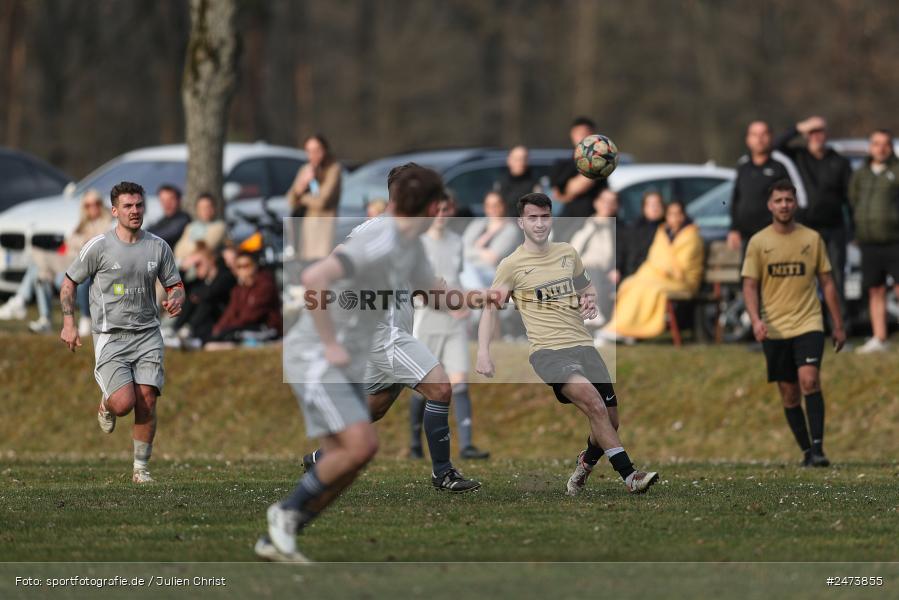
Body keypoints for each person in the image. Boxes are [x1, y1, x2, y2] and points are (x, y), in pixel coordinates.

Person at [257, 164, 448, 562]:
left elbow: (435, 293)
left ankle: (281, 533)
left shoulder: (409, 244)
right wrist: (330, 343)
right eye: (439, 202)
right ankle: (285, 513)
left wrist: (489, 298)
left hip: (352, 347)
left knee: (350, 456)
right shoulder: (379, 237)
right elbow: (315, 277)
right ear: (429, 205)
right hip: (316, 353)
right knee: (360, 446)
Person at [301, 164, 481, 493]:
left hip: (392, 332)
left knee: (376, 406)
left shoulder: (406, 237)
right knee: (440, 388)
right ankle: (443, 472)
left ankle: (322, 458)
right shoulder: (376, 231)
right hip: (383, 336)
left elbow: (424, 290)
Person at [476, 192, 659, 496]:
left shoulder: (567, 253)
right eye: (532, 217)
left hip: (583, 346)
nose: (539, 223)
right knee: (594, 404)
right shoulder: (512, 265)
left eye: (545, 216)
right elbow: (489, 309)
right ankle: (630, 476)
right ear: (521, 222)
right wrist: (483, 353)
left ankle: (584, 464)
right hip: (548, 353)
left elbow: (586, 286)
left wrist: (589, 301)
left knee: (611, 419)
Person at [59, 181, 184, 484]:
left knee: (148, 399)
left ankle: (140, 469)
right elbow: (68, 283)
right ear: (114, 211)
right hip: (110, 335)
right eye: (128, 206)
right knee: (123, 403)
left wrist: (176, 298)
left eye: (139, 205)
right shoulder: (99, 246)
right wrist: (69, 323)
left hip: (147, 334)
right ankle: (106, 403)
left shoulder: (158, 246)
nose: (135, 211)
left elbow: (176, 285)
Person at [742, 180, 845, 467]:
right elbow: (749, 285)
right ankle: (806, 452)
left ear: (795, 203)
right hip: (774, 327)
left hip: (808, 322)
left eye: (789, 199)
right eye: (779, 200)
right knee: (789, 395)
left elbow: (827, 282)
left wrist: (838, 324)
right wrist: (755, 320)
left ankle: (819, 449)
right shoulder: (759, 242)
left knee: (809, 380)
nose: (784, 205)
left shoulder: (811, 239)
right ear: (770, 205)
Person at [410, 194, 490, 460]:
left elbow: (456, 279)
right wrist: (449, 305)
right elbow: (420, 288)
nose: (442, 214)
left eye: (447, 209)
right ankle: (414, 445)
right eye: (438, 209)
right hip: (429, 318)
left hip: (455, 320)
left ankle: (466, 445)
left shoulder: (457, 242)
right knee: (425, 384)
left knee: (460, 381)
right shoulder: (419, 243)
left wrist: (469, 300)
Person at [1, 190, 112, 336]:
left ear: (101, 205)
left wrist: (78, 242)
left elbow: (91, 247)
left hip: (81, 266)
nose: (92, 208)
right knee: (40, 271)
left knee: (39, 262)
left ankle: (22, 301)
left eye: (96, 203)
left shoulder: (107, 223)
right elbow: (68, 246)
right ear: (83, 207)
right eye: (88, 205)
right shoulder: (81, 225)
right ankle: (41, 317)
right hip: (68, 262)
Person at [774, 116, 853, 318]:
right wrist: (799, 127)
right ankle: (806, 327)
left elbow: (850, 198)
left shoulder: (839, 161)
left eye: (820, 132)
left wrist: (851, 229)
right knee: (803, 278)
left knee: (835, 278)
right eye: (813, 132)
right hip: (805, 228)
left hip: (834, 228)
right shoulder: (798, 157)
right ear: (807, 136)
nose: (817, 136)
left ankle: (838, 326)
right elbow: (775, 146)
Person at [602, 200, 704, 340]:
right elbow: (654, 257)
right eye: (670, 214)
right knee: (630, 283)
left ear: (683, 215)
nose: (674, 218)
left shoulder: (692, 236)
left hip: (682, 281)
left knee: (649, 289)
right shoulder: (663, 233)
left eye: (677, 214)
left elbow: (682, 266)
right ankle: (622, 327)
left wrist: (663, 267)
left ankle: (632, 329)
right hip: (659, 276)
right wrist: (659, 267)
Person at [849, 129, 899, 353]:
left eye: (885, 144)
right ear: (870, 147)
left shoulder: (896, 171)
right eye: (876, 144)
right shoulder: (861, 174)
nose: (881, 148)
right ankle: (880, 337)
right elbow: (853, 200)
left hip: (894, 239)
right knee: (875, 290)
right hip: (868, 240)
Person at [728, 120, 804, 253]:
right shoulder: (742, 165)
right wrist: (733, 229)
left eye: (764, 134)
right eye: (755, 135)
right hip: (748, 237)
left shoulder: (781, 163)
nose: (759, 139)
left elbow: (800, 198)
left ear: (771, 137)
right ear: (748, 139)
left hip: (776, 236)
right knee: (747, 273)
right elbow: (735, 199)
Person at [549, 117, 608, 241]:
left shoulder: (605, 160)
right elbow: (564, 192)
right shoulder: (562, 165)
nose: (584, 138)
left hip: (593, 222)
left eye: (588, 134)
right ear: (573, 135)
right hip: (566, 223)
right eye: (580, 134)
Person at [570, 189, 623, 324]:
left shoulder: (619, 229)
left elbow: (622, 253)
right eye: (604, 201)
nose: (607, 205)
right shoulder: (584, 223)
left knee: (595, 271)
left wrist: (617, 268)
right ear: (596, 203)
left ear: (617, 206)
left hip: (605, 273)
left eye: (612, 202)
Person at [207, 251, 281, 346]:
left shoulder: (265, 285)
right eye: (239, 267)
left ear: (254, 266)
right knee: (218, 337)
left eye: (246, 265)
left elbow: (252, 315)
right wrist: (219, 328)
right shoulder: (238, 289)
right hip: (245, 327)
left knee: (232, 336)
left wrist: (230, 327)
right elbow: (230, 312)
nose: (242, 270)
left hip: (267, 328)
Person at [287, 134, 342, 263]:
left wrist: (302, 197)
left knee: (318, 266)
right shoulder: (305, 169)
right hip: (302, 227)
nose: (313, 155)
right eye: (309, 151)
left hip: (322, 228)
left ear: (325, 150)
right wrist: (302, 185)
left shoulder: (333, 170)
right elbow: (290, 199)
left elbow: (321, 201)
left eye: (317, 150)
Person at [169, 243, 236, 346]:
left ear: (211, 261)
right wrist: (183, 269)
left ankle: (188, 330)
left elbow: (213, 292)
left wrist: (198, 296)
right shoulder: (201, 282)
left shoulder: (226, 276)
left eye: (198, 264)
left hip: (220, 321)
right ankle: (175, 330)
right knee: (190, 297)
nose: (196, 268)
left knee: (206, 300)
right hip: (203, 323)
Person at [460, 191, 519, 290]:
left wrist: (472, 249)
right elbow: (460, 249)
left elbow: (492, 258)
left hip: (494, 275)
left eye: (496, 204)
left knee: (465, 268)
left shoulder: (511, 230)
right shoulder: (478, 224)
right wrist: (482, 251)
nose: (492, 209)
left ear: (504, 205)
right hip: (470, 271)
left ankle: (477, 299)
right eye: (489, 205)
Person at [173, 192, 227, 266]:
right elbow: (178, 250)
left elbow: (206, 246)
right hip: (185, 263)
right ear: (197, 210)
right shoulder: (190, 227)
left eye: (208, 207)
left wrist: (189, 249)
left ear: (214, 208)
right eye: (201, 208)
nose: (205, 210)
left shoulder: (219, 226)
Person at [620, 190, 664, 277]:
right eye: (651, 205)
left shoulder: (668, 228)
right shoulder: (633, 229)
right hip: (634, 274)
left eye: (657, 204)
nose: (654, 208)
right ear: (644, 208)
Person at [496, 145, 540, 216]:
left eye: (524, 159)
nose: (521, 162)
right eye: (517, 159)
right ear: (509, 160)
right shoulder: (501, 183)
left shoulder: (536, 183)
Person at [148, 184, 191, 250]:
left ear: (179, 200)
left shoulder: (183, 219)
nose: (167, 204)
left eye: (171, 199)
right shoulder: (163, 220)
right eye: (163, 200)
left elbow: (167, 234)